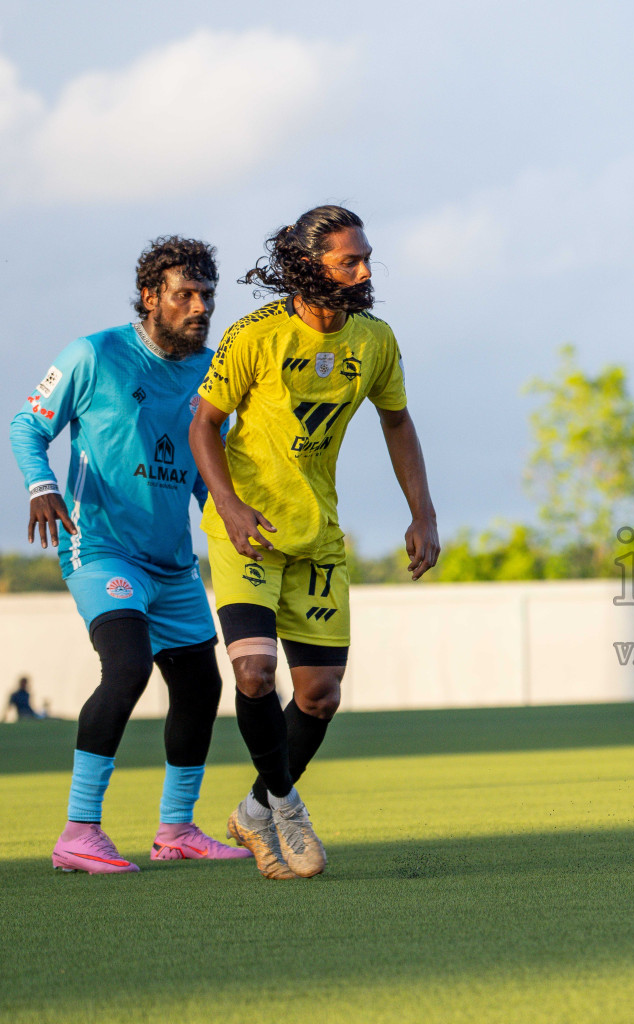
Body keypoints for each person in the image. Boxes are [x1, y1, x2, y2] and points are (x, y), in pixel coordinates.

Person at [189, 205, 440, 880]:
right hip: (248, 534)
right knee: (252, 672)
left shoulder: (376, 341)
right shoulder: (255, 337)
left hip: (317, 538)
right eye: (348, 261)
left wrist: (423, 513)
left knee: (321, 696)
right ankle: (287, 806)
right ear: (308, 268)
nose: (363, 272)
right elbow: (204, 425)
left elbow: (398, 422)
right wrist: (231, 506)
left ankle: (254, 809)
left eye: (365, 258)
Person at [8, 237, 251, 872]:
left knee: (200, 685)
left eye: (207, 296)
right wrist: (42, 485)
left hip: (171, 562)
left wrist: (231, 515)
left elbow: (204, 468)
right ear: (151, 297)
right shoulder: (94, 353)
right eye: (185, 295)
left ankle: (177, 831)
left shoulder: (208, 370)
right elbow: (27, 424)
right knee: (127, 668)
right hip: (101, 547)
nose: (200, 307)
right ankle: (78, 833)